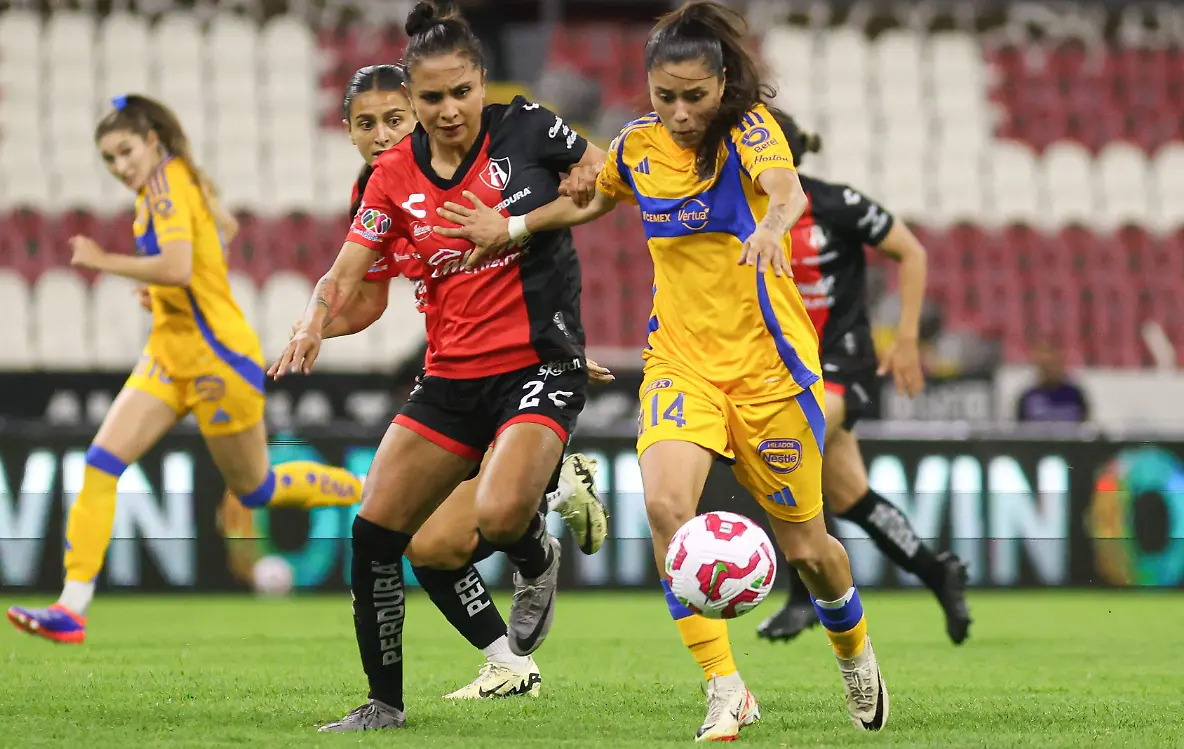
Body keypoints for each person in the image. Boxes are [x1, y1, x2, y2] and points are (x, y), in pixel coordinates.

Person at [435, 1, 890, 738]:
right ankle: (725, 685)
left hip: (770, 373)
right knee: (665, 509)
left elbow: (787, 191)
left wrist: (773, 227)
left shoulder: (749, 132)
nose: (679, 113)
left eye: (694, 97)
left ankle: (855, 652)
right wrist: (511, 226)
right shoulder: (638, 145)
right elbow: (588, 200)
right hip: (681, 366)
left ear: (722, 86)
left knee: (809, 549)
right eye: (664, 97)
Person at [271, 1, 608, 731]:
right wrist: (311, 322)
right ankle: (385, 702)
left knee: (494, 510)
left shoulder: (527, 126)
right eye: (431, 97)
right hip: (452, 376)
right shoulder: (392, 174)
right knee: (378, 531)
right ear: (413, 101)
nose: (449, 109)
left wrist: (517, 223)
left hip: (538, 363)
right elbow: (347, 271)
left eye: (461, 92)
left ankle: (534, 554)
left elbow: (605, 182)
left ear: (481, 82)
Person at [5, 95, 366, 644]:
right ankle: (71, 607)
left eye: (125, 151)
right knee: (101, 463)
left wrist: (105, 262)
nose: (120, 166)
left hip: (217, 360)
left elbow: (177, 265)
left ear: (153, 140)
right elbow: (201, 253)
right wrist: (161, 291)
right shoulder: (163, 188)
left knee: (256, 490)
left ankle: (362, 488)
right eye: (109, 159)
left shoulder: (169, 184)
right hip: (168, 354)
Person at [753, 108, 973, 646]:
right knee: (850, 496)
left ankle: (804, 595)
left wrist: (904, 341)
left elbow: (910, 251)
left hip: (839, 362)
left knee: (796, 438)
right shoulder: (744, 216)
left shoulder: (834, 203)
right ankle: (936, 570)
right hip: (782, 366)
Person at [1016, 338, 1089, 423]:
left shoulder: (1075, 395)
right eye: (1045, 365)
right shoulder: (1027, 397)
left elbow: (1084, 427)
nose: (1049, 369)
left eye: (1052, 364)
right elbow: (1020, 430)